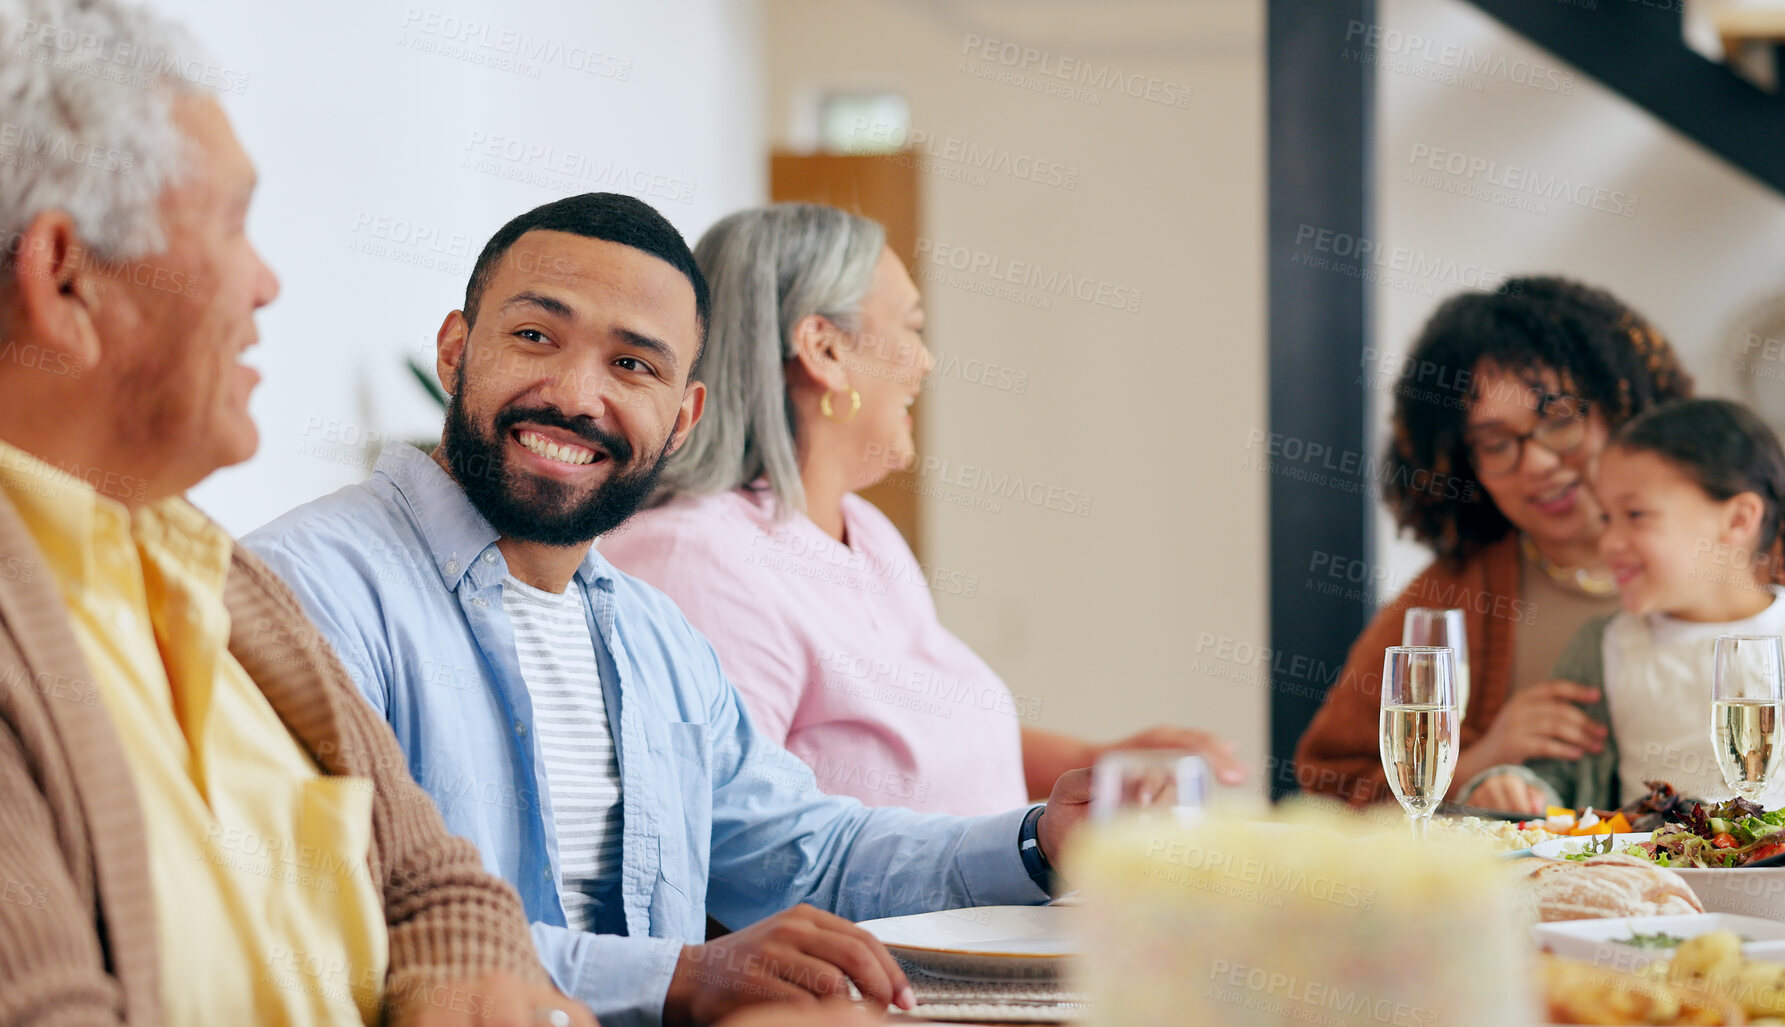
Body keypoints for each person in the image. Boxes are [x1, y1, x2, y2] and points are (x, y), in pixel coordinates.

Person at [243, 192, 1095, 1025]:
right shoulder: (306, 588)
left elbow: (812, 852)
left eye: (632, 365)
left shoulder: (653, 636)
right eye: (535, 336)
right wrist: (680, 975)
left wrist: (1037, 840)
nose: (576, 395)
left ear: (681, 414)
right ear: (457, 351)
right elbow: (341, 924)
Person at [0, 1, 592, 1023]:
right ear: (66, 282)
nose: (267, 283)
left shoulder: (205, 566)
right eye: (233, 224)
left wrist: (462, 981)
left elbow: (438, 878)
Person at [597, 203, 1244, 815]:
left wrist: (1089, 761)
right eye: (909, 327)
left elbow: (913, 747)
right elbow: (727, 837)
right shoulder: (695, 558)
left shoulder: (865, 533)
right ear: (824, 350)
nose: (925, 361)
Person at [1293, 278, 1785, 815]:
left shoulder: (1762, 549)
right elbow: (1328, 792)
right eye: (1495, 443)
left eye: (1560, 419)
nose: (1539, 462)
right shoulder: (1454, 596)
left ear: (1622, 408)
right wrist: (1476, 760)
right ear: (1462, 463)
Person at [1466, 398, 1785, 809]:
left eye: (1635, 515)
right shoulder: (1601, 647)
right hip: (1659, 900)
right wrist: (1511, 786)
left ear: (1738, 520)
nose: (1609, 541)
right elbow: (1554, 784)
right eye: (1606, 516)